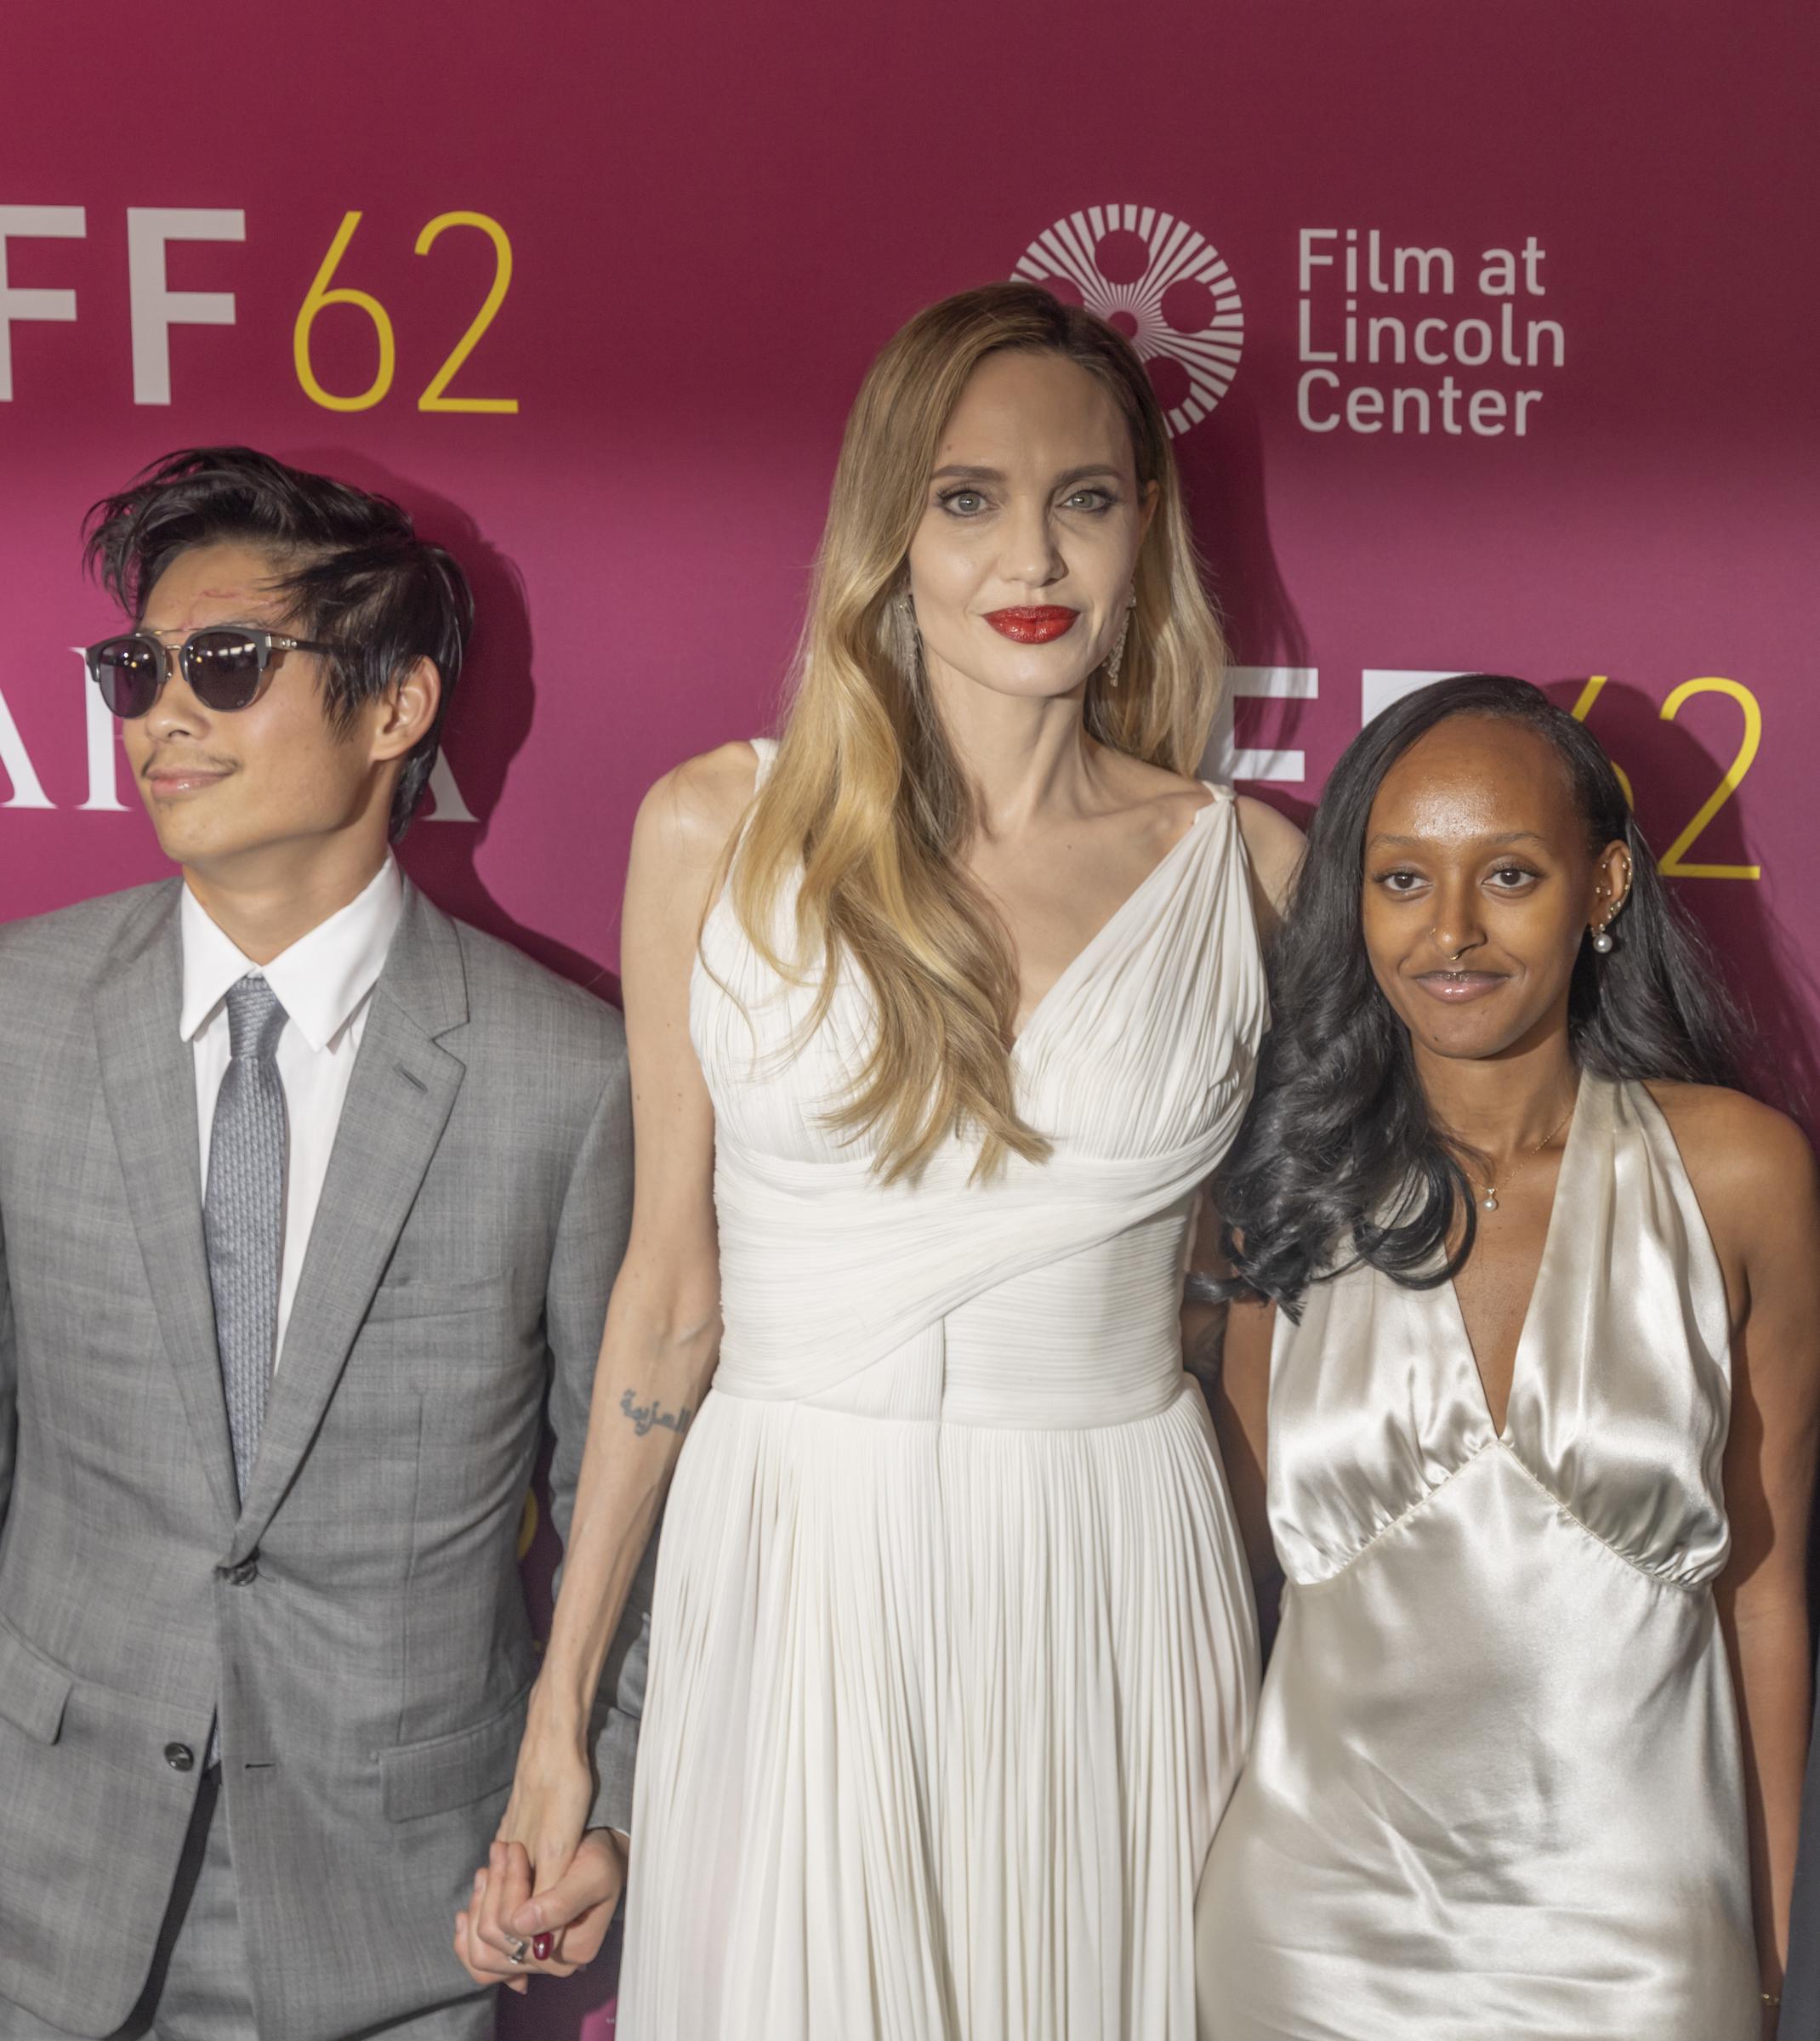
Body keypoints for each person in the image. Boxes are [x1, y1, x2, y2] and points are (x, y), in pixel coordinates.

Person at [462, 282, 1302, 2037]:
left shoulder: (1251, 877)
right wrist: (561, 1734)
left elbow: (1249, 1317)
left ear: (1145, 528)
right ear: (886, 530)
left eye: (1084, 496)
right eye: (967, 496)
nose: (1035, 553)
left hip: (1112, 1568)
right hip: (795, 1556)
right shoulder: (717, 831)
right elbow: (669, 1299)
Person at [0, 448, 650, 2041]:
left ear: (394, 708)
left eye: (223, 664)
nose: (160, 712)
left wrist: (612, 1800)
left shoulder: (568, 1079)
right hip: (37, 1885)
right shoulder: (17, 1018)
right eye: (135, 666)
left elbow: (632, 1513)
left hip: (404, 1914)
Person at [1194, 674, 1818, 2039]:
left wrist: (1769, 1945)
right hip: (1308, 1944)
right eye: (1403, 879)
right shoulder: (1288, 1190)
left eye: (1511, 875)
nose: (1452, 932)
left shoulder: (1741, 1173)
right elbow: (1221, 1581)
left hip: (1645, 1950)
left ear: (1601, 889)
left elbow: (1765, 1594)